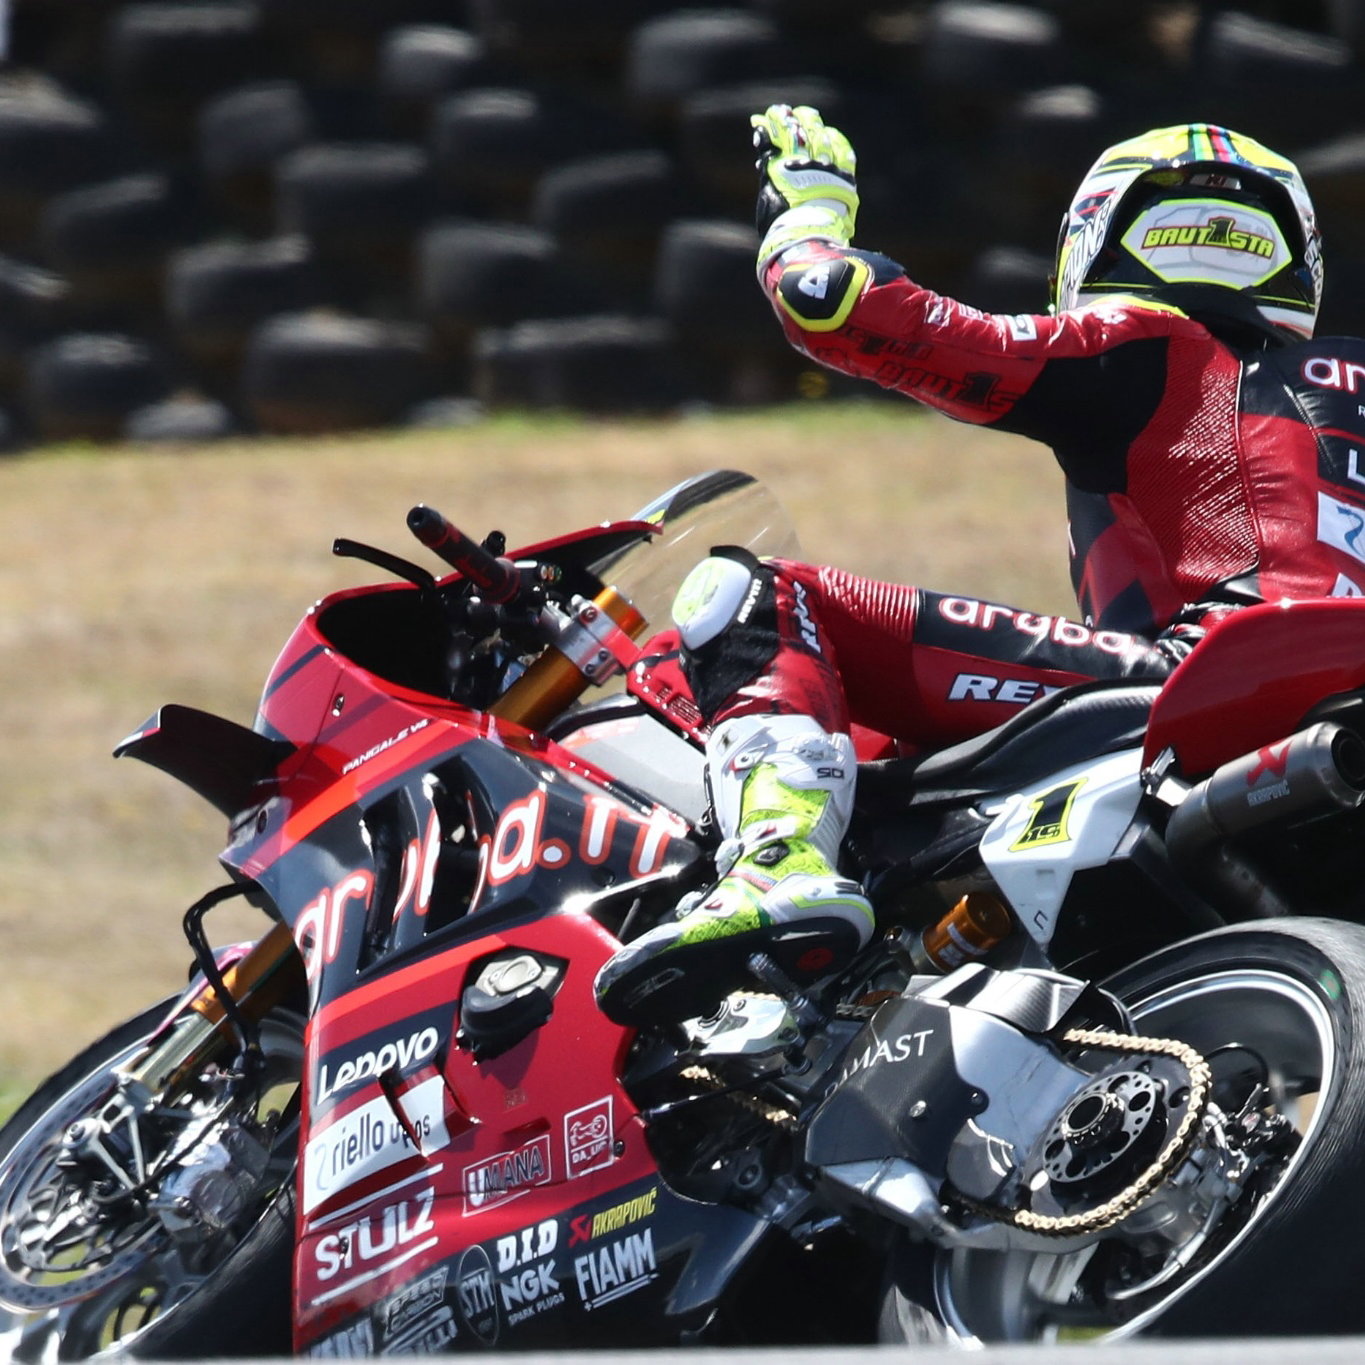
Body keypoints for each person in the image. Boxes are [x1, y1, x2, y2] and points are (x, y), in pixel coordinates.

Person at [595, 107, 1347, 1026]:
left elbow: (835, 304)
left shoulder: (1151, 346)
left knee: (749, 595)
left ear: (1097, 238)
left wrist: (805, 214)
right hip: (1298, 724)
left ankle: (776, 863)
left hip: (1199, 685)